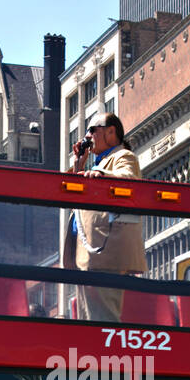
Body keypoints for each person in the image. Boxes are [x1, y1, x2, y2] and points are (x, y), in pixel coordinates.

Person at [63, 114, 145, 321]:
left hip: (105, 255)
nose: (87, 137)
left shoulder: (123, 156)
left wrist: (100, 174)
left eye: (92, 130)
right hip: (88, 256)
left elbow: (128, 177)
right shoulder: (97, 165)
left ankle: (106, 354)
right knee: (87, 320)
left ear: (111, 132)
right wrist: (79, 166)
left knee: (102, 321)